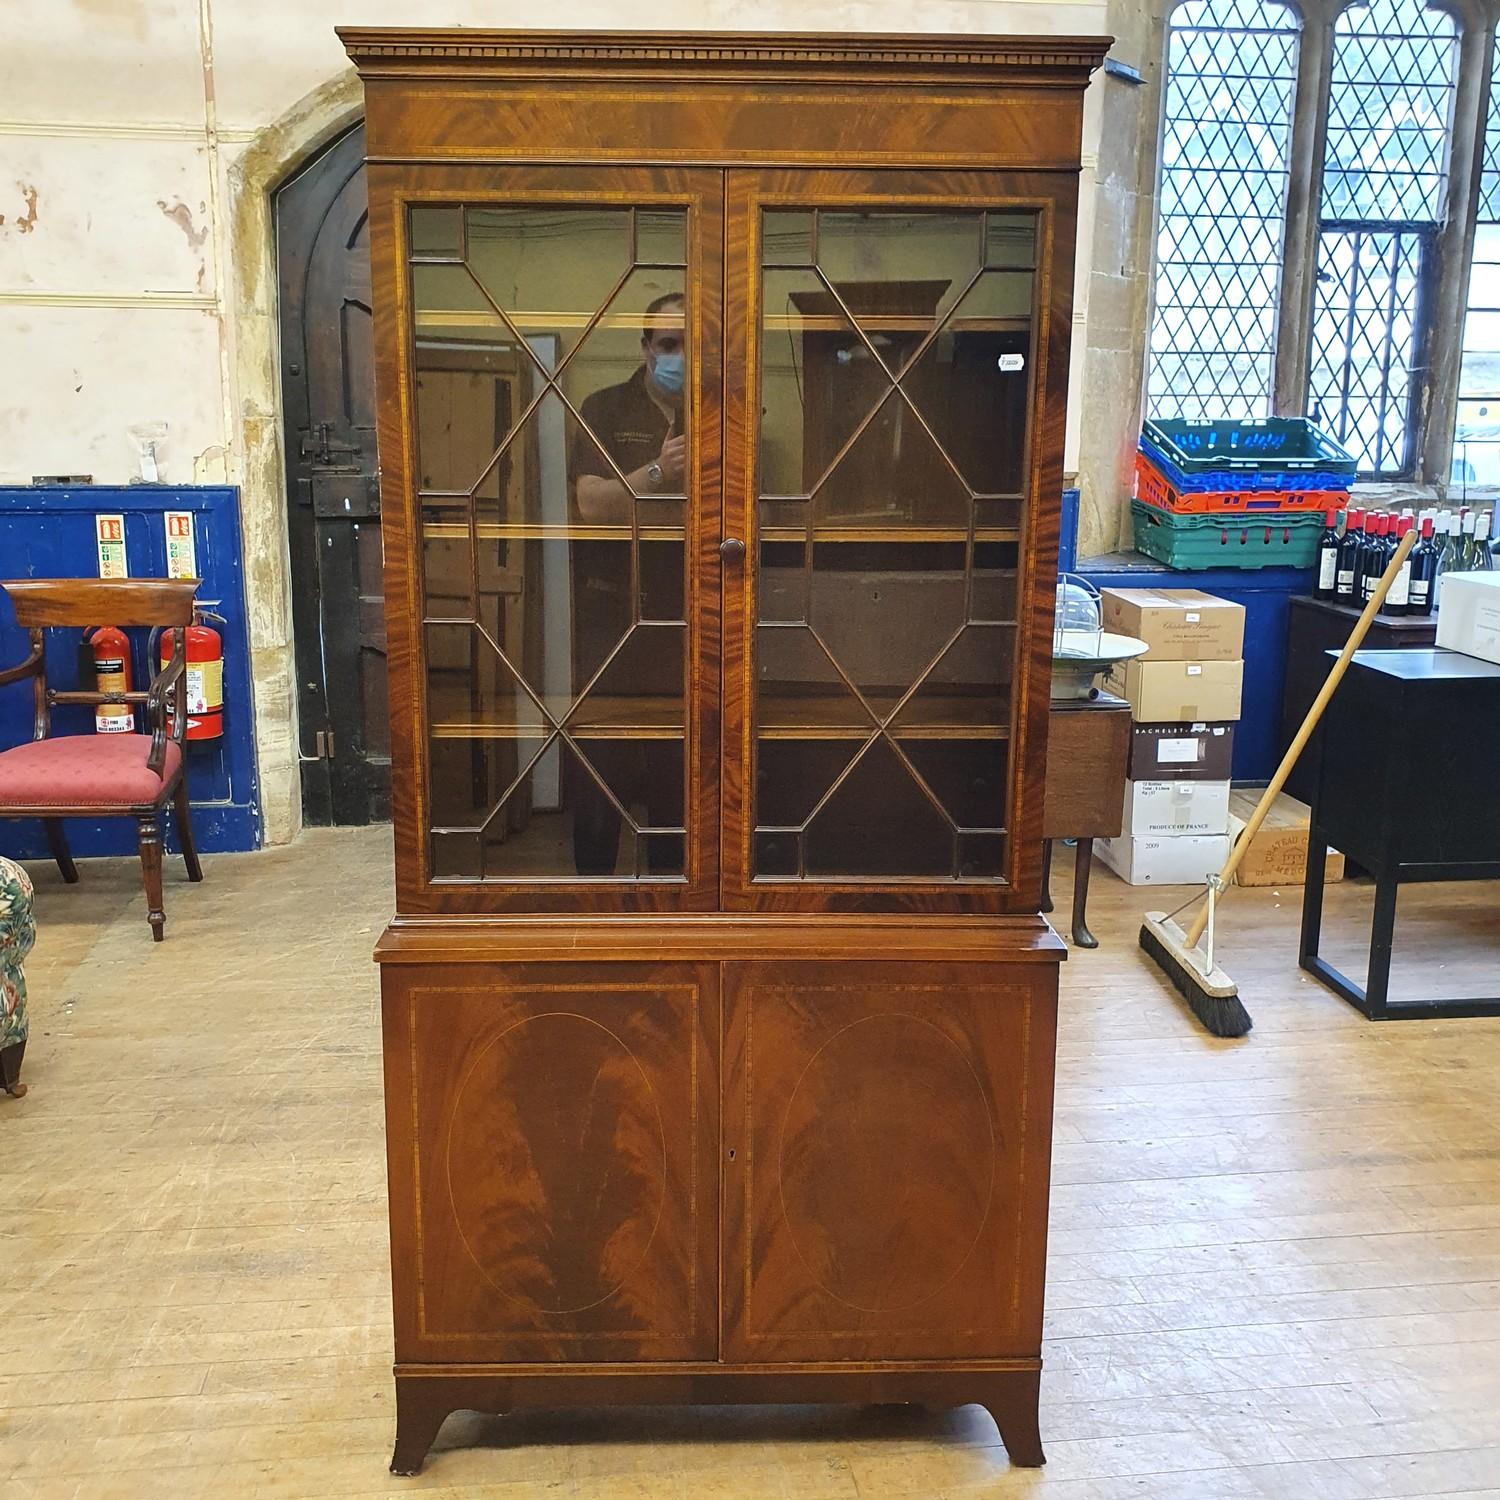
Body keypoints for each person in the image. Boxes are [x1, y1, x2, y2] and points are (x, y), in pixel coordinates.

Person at [565, 292, 687, 875]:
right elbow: (591, 504)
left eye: (692, 345)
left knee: (679, 761)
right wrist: (662, 472)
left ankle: (674, 898)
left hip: (692, 612)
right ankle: (591, 901)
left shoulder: (724, 412)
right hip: (611, 613)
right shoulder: (605, 408)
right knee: (600, 756)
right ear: (645, 349)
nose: (680, 357)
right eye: (668, 345)